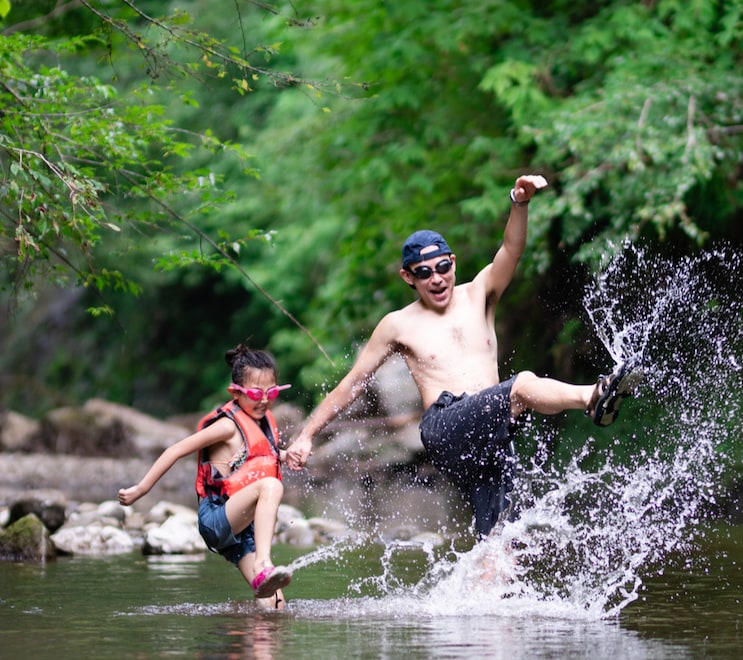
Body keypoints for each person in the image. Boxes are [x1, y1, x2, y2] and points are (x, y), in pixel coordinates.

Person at [284, 175, 641, 540]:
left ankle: (479, 593)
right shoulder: (397, 325)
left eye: (443, 267)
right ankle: (592, 399)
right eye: (424, 273)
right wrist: (307, 435)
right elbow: (352, 384)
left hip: (493, 432)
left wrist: (520, 203)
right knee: (521, 387)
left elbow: (511, 250)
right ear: (408, 277)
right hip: (446, 427)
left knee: (500, 538)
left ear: (453, 263)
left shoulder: (480, 293)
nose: (436, 278)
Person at [119, 345, 293, 608]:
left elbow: (254, 462)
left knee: (276, 603)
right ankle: (263, 562)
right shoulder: (226, 426)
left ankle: (257, 644)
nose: (264, 399)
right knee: (271, 485)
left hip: (241, 529)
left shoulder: (263, 423)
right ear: (235, 392)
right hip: (217, 517)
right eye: (256, 393)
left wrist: (285, 454)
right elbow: (176, 450)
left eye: (272, 392)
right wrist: (141, 489)